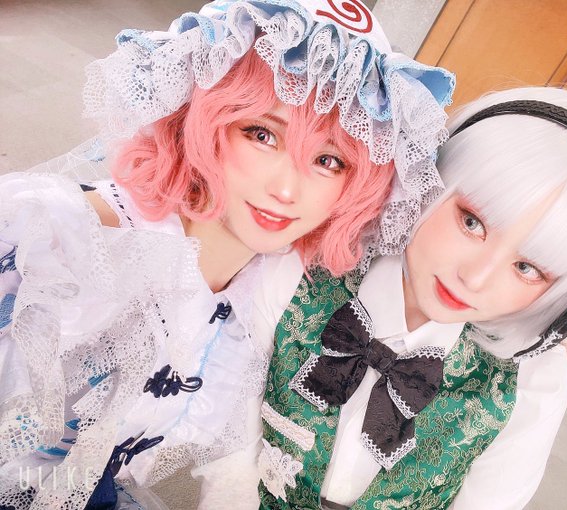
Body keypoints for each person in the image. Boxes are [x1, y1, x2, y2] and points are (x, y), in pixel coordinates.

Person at [0, 1, 455, 509]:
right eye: (262, 135)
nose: (287, 189)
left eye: (329, 161)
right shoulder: (53, 238)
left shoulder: (273, 294)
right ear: (205, 119)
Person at [245, 86, 567, 509]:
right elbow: (229, 443)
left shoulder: (531, 383)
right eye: (472, 222)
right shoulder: (304, 270)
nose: (475, 278)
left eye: (527, 268)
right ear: (434, 182)